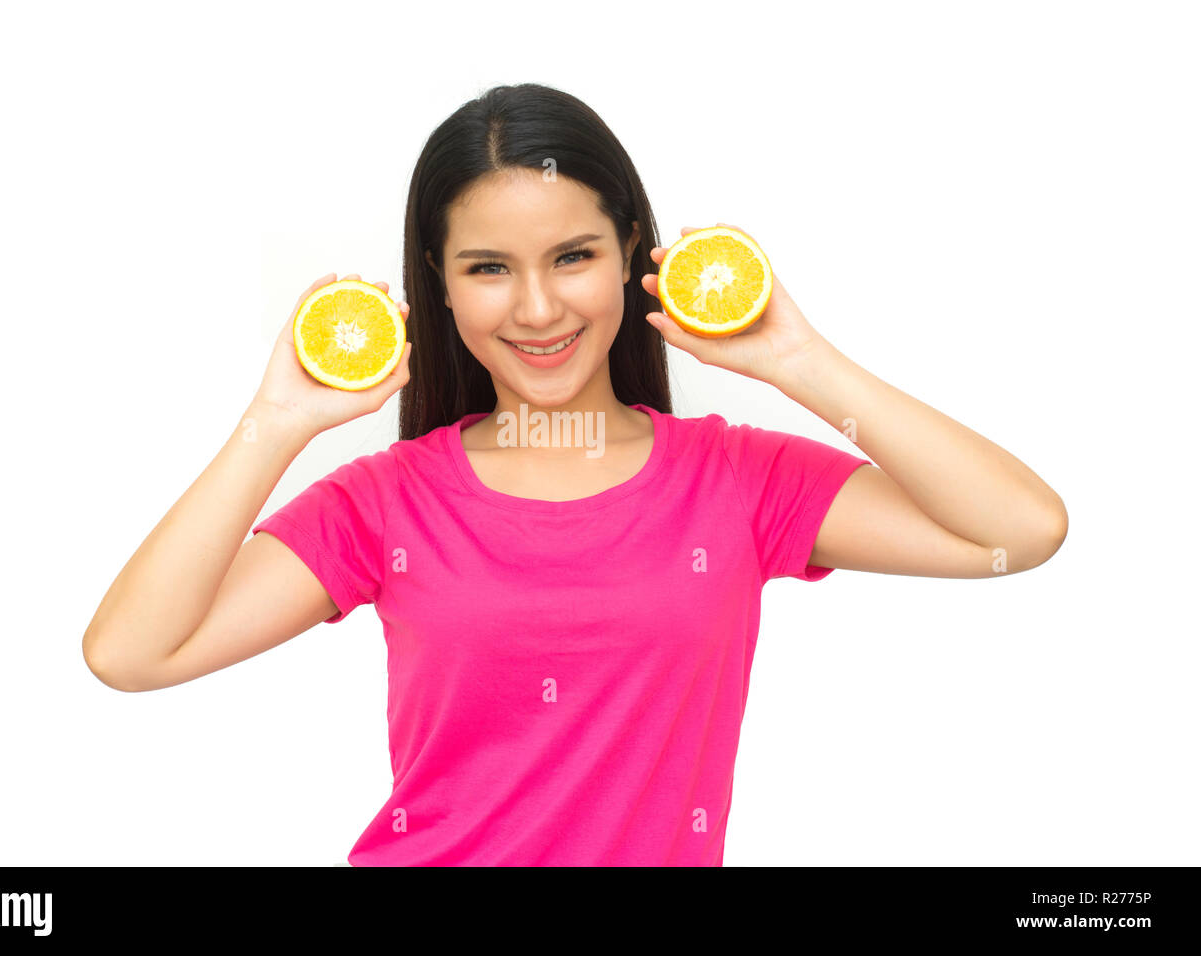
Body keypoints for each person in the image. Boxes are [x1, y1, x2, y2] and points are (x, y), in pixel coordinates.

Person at [82, 83, 1068, 866]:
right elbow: (131, 653)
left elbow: (1014, 531)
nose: (539, 306)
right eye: (488, 267)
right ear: (438, 280)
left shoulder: (737, 480)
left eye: (572, 255)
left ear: (631, 251)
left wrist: (795, 358)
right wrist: (275, 422)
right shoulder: (383, 500)